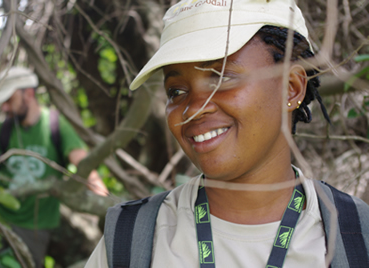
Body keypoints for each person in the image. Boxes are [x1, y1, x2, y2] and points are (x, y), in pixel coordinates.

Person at [85, 0, 369, 267]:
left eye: (222, 78)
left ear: (291, 88)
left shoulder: (355, 238)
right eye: (177, 91)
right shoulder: (130, 240)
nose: (195, 109)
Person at [0, 66, 108, 268]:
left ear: (29, 93)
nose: (4, 108)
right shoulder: (0, 131)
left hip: (35, 229)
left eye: (9, 100)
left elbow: (84, 166)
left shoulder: (55, 125)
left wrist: (108, 206)